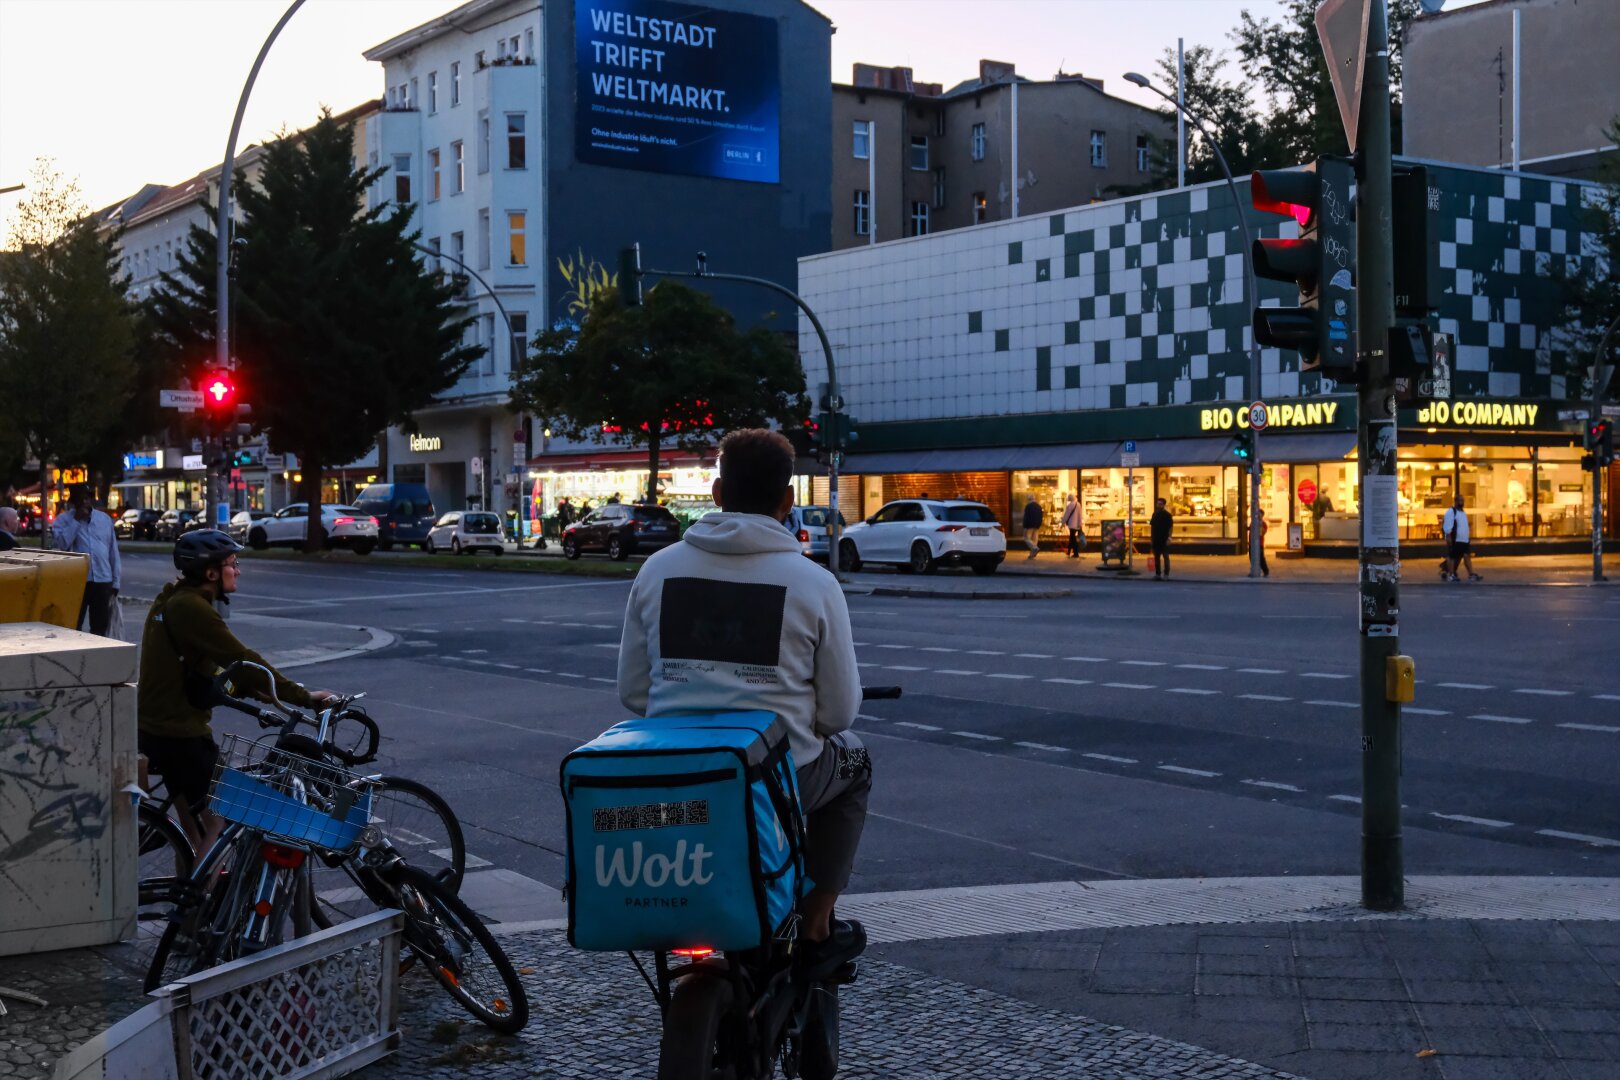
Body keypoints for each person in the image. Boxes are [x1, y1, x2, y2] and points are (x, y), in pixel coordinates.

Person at [618, 429, 867, 966]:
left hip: (676, 773)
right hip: (780, 778)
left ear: (715, 492)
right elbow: (839, 713)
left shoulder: (657, 570)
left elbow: (634, 692)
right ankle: (819, 924)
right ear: (788, 501)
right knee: (856, 760)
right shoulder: (814, 582)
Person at [138, 530, 332, 852]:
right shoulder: (193, 609)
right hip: (180, 736)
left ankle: (192, 892)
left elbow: (216, 672)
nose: (238, 570)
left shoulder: (173, 600)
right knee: (218, 823)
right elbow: (243, 660)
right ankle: (201, 899)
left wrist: (259, 693)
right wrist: (302, 696)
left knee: (195, 833)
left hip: (157, 732)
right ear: (211, 572)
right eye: (232, 563)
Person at [51, 484, 121, 636]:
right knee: (74, 625)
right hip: (77, 581)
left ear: (91, 499)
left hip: (103, 579)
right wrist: (76, 520)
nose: (84, 502)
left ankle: (96, 656)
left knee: (100, 627)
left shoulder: (104, 520)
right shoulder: (63, 521)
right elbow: (63, 544)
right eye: (80, 499)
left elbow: (112, 551)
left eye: (87, 498)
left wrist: (116, 582)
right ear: (73, 502)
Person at [1442, 496, 1481, 582]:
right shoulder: (1451, 512)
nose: (1462, 502)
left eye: (1463, 501)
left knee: (1467, 556)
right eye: (1460, 500)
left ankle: (1471, 574)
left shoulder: (1463, 513)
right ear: (1455, 501)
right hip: (1455, 539)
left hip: (1464, 539)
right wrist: (1448, 537)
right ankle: (1451, 575)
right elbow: (1447, 525)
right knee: (1452, 557)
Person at [1149, 498, 1173, 579]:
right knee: (1156, 557)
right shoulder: (1154, 514)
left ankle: (1166, 574)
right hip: (1156, 539)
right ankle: (1158, 574)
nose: (1158, 505)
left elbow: (1170, 527)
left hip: (1164, 539)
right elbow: (1152, 527)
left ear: (1163, 505)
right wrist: (1151, 539)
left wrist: (1169, 538)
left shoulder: (1167, 515)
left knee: (1166, 557)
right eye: (1158, 503)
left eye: (1160, 504)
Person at [1059, 494, 1084, 558]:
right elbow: (1080, 515)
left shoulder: (1070, 505)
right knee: (1072, 537)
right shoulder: (1078, 504)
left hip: (1071, 524)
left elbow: (1066, 515)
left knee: (1072, 538)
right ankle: (1069, 551)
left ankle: (1076, 553)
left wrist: (1062, 523)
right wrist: (1080, 524)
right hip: (1076, 525)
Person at [1021, 495, 1044, 559]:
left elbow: (1026, 517)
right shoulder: (1039, 506)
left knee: (1026, 538)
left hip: (1029, 525)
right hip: (1037, 525)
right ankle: (1032, 554)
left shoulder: (1028, 506)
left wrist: (1025, 525)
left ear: (1029, 499)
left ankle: (1034, 548)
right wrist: (1039, 524)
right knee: (1035, 539)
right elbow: (1041, 516)